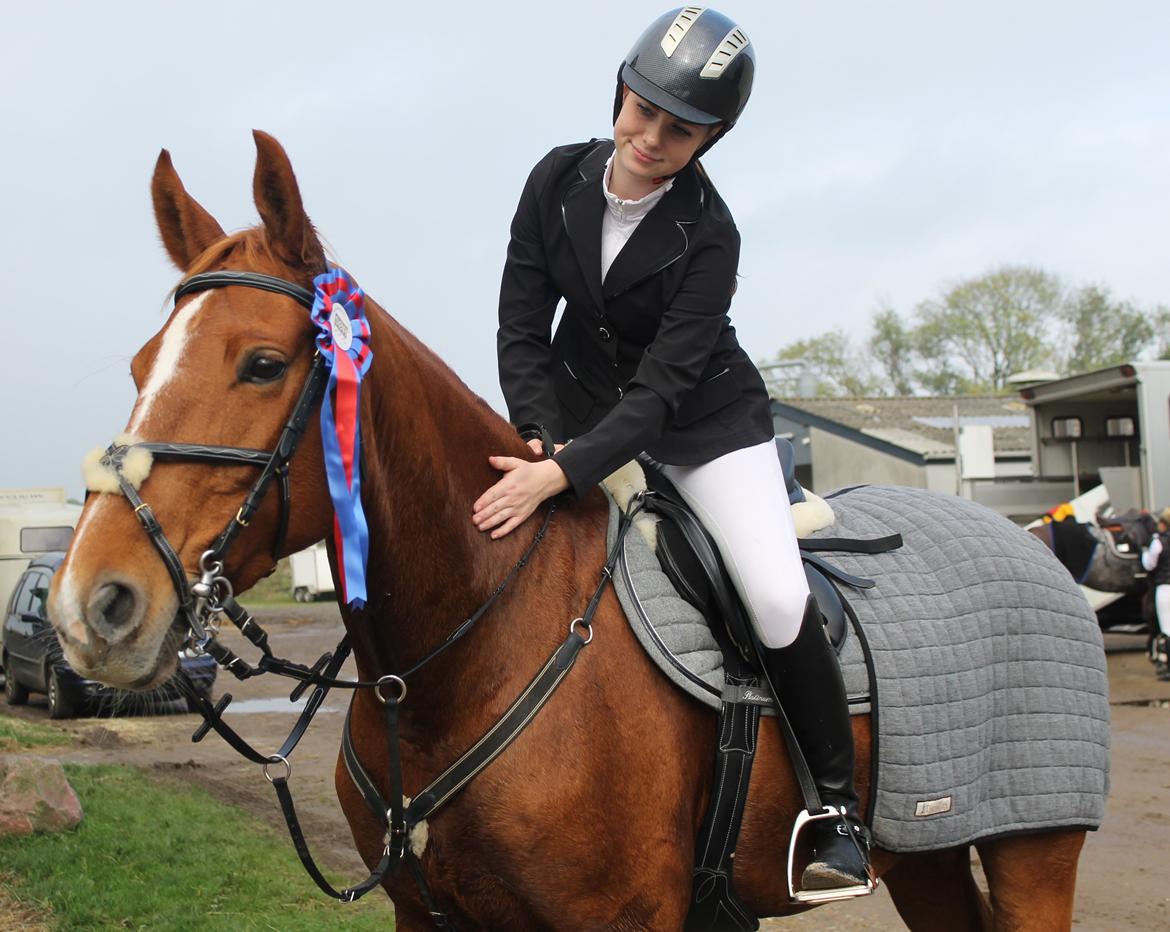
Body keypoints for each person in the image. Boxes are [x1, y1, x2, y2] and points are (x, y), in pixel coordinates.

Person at [471, 7, 871, 893]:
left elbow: (659, 393)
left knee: (775, 594)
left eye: (680, 130)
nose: (651, 138)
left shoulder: (711, 233)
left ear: (711, 138)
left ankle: (837, 814)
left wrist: (563, 471)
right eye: (643, 111)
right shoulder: (554, 178)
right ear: (620, 91)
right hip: (573, 410)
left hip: (700, 425)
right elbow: (521, 326)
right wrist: (538, 434)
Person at [1143, 508, 1170, 680]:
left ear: (1163, 524)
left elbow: (1149, 565)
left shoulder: (1158, 542)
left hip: (1165, 588)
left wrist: (1144, 552)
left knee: (1167, 629)